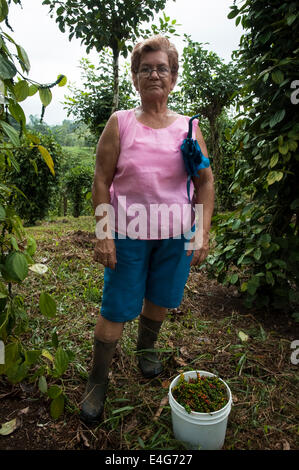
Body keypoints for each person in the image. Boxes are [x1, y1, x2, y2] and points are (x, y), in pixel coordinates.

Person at [80, 35, 214, 424]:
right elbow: (101, 179)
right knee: (116, 308)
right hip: (128, 233)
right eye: (145, 69)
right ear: (136, 79)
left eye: (161, 68)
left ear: (173, 78)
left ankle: (146, 352)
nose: (153, 74)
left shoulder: (189, 127)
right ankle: (97, 381)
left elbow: (205, 182)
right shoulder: (120, 123)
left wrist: (201, 230)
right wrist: (104, 233)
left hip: (174, 235)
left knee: (160, 297)